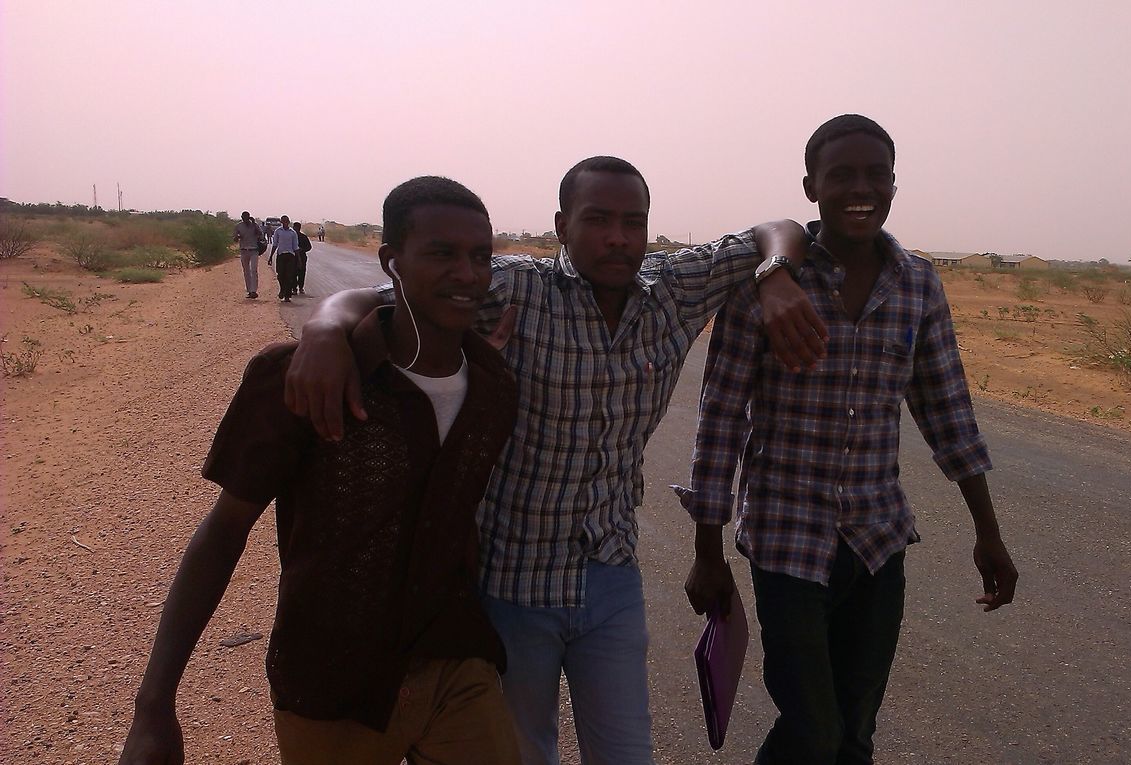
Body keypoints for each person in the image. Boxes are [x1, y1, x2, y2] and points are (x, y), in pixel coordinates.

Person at [284, 156, 829, 765]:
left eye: (633, 221)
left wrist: (775, 274)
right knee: (523, 753)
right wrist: (325, 329)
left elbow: (778, 229)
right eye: (597, 219)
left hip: (611, 569)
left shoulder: (674, 290)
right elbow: (384, 296)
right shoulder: (517, 289)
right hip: (512, 578)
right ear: (562, 225)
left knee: (626, 754)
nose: (617, 236)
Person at [117, 176, 521, 765]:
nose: (468, 273)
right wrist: (154, 704)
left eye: (480, 256)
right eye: (441, 254)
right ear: (392, 262)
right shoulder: (303, 378)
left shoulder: (493, 387)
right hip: (332, 681)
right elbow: (225, 529)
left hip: (456, 665)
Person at [679, 115, 1019, 765]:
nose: (859, 188)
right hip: (786, 540)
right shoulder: (765, 284)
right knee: (813, 729)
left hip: (877, 540)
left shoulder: (918, 283)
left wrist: (988, 530)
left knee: (856, 733)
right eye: (841, 175)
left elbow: (947, 410)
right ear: (811, 186)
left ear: (893, 183)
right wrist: (707, 550)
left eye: (875, 174)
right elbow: (720, 420)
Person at [232, 211, 265, 299]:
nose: (245, 219)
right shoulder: (238, 226)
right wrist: (238, 237)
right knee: (246, 271)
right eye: (243, 217)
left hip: (254, 250)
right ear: (242, 217)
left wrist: (254, 224)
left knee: (253, 270)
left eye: (247, 217)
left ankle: (254, 290)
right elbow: (234, 238)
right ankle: (249, 291)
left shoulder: (254, 225)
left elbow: (261, 235)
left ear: (249, 217)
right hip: (244, 250)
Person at [269, 214, 300, 302]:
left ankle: (287, 295)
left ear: (289, 222)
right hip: (281, 255)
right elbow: (275, 244)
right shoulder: (278, 231)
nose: (285, 223)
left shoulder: (292, 233)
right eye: (283, 221)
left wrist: (299, 260)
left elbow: (295, 247)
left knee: (289, 276)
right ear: (281, 222)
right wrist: (271, 257)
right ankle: (282, 289)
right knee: (280, 275)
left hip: (290, 256)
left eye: (287, 221)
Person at [292, 221, 313, 295]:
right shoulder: (291, 236)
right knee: (293, 273)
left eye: (297, 228)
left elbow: (309, 247)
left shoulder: (303, 237)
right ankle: (294, 288)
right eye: (295, 228)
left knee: (301, 273)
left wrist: (302, 249)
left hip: (302, 256)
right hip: (292, 257)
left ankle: (300, 288)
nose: (296, 229)